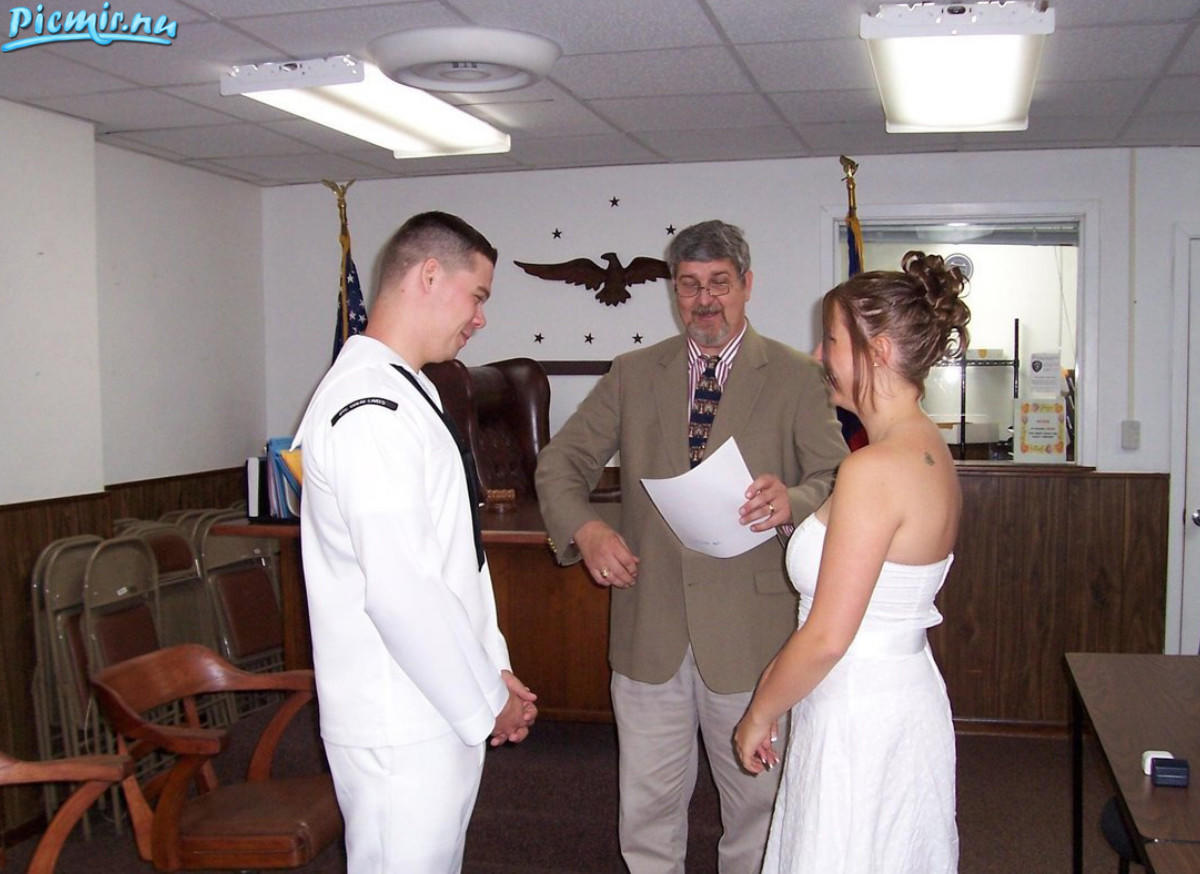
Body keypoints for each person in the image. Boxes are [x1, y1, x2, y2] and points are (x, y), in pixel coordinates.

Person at [536, 219, 848, 873]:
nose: (705, 300)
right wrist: (587, 530)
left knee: (758, 811)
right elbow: (561, 463)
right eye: (689, 285)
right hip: (649, 627)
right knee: (647, 813)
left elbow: (838, 477)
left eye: (720, 283)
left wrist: (792, 501)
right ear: (673, 291)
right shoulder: (632, 373)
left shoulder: (796, 376)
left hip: (752, 636)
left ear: (747, 285)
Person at [293, 211, 537, 874]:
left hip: (431, 702)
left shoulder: (409, 388)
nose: (481, 318)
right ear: (429, 275)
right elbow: (402, 590)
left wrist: (493, 670)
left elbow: (453, 564)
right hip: (398, 714)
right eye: (477, 295)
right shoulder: (368, 407)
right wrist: (486, 701)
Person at [733, 251, 971, 874]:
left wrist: (759, 712)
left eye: (832, 340)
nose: (818, 355)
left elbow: (828, 637)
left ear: (880, 351)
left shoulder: (873, 468)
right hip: (899, 695)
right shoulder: (929, 447)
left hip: (859, 710)